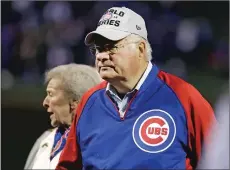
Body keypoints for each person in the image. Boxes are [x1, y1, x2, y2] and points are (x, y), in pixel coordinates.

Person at [56, 7, 216, 170]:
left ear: (140, 49)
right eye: (98, 48)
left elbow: (219, 160)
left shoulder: (183, 96)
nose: (101, 56)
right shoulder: (89, 101)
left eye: (111, 47)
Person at [24, 63, 102, 169]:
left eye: (51, 94)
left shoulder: (99, 144)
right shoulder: (45, 139)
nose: (45, 102)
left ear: (75, 101)